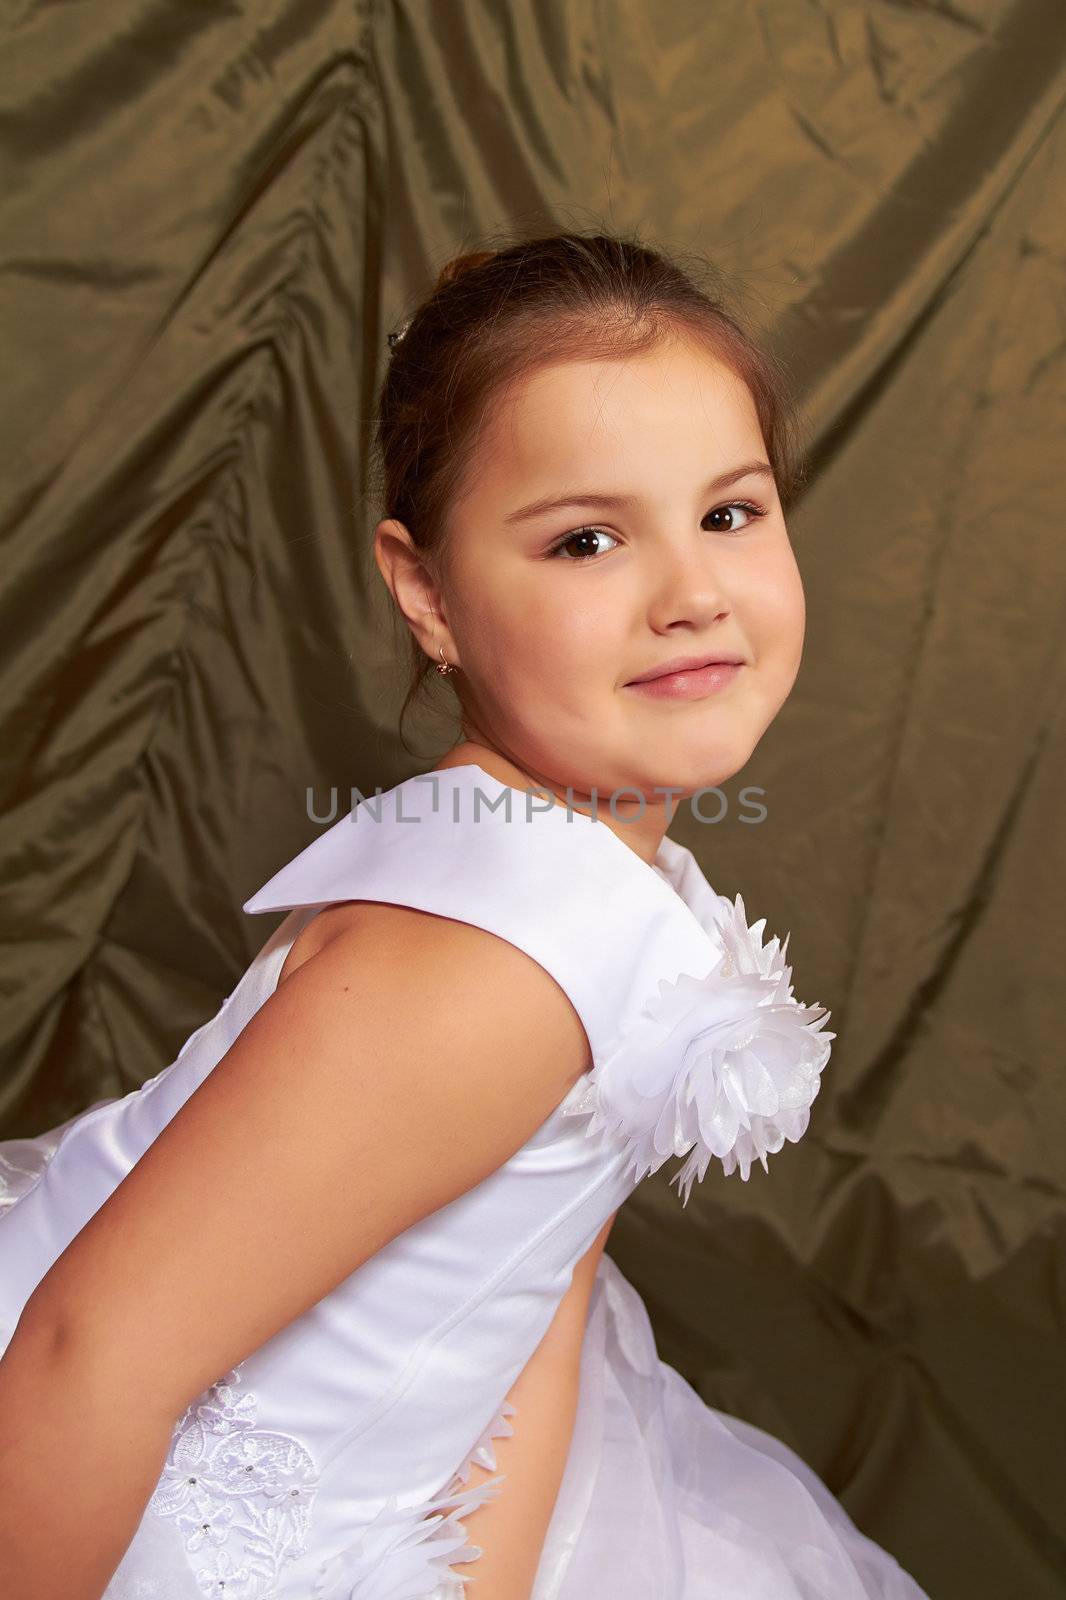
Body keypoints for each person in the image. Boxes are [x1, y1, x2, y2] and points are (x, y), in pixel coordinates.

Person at [0, 231, 930, 1600]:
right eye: (586, 539)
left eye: (729, 512)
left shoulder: (583, 869)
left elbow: (548, 1290)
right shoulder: (479, 973)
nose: (690, 595)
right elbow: (86, 1361)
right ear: (427, 592)